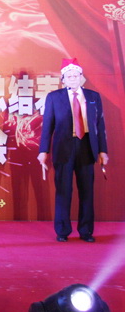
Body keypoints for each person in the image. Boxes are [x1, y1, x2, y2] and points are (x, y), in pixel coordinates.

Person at [37, 58, 108, 243]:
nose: (73, 78)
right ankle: (62, 230)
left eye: (76, 75)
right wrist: (43, 151)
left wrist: (103, 151)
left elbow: (100, 126)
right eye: (69, 76)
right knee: (63, 190)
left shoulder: (93, 97)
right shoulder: (54, 97)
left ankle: (86, 231)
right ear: (63, 79)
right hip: (63, 148)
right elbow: (47, 127)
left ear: (81, 77)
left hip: (86, 147)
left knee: (87, 192)